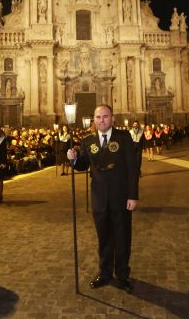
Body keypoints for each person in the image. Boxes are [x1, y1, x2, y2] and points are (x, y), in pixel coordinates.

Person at [67, 104, 139, 293]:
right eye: (98, 117)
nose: (102, 120)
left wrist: (133, 195)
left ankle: (122, 275)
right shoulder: (87, 140)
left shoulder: (123, 137)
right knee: (104, 237)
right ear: (94, 120)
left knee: (122, 237)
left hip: (121, 195)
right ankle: (105, 273)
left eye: (105, 117)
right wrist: (73, 159)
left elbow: (132, 168)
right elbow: (83, 164)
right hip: (99, 196)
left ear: (112, 118)